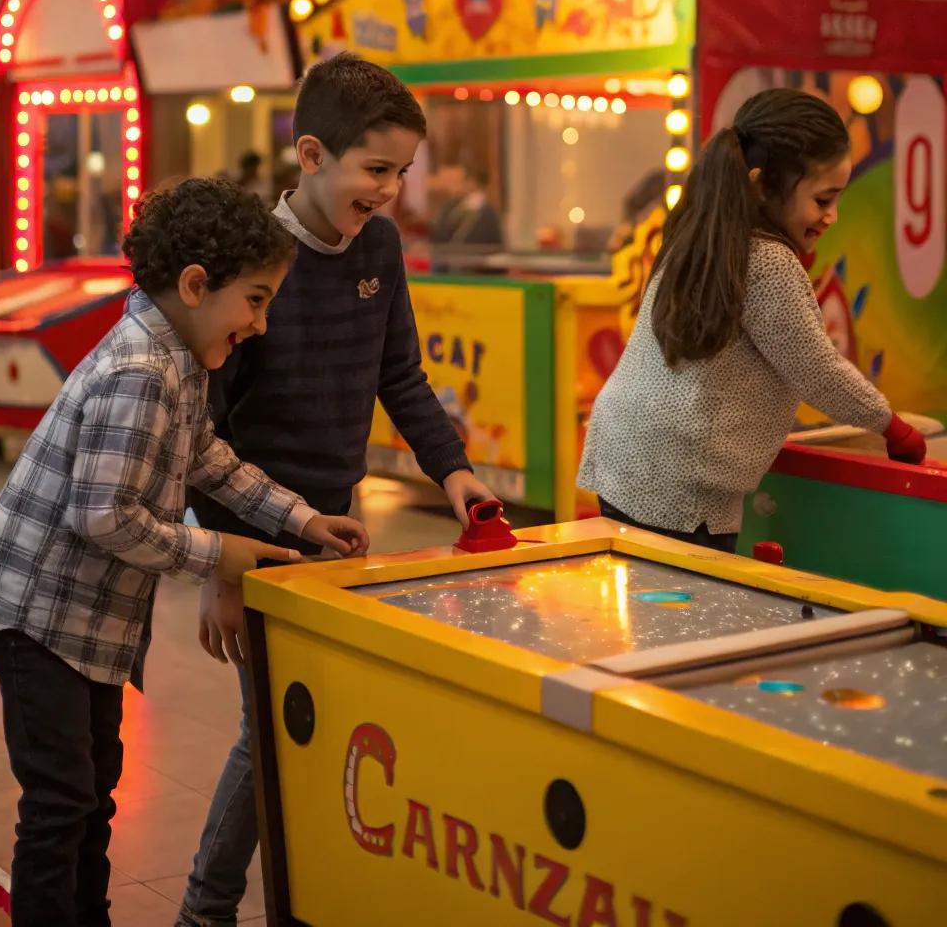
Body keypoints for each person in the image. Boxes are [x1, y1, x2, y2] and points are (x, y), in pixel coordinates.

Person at [0, 178, 368, 927]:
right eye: (256, 299)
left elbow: (210, 459)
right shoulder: (142, 370)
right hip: (36, 614)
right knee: (60, 805)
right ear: (194, 284)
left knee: (92, 793)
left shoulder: (177, 355)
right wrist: (221, 555)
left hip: (85, 626)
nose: (263, 325)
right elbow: (105, 516)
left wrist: (304, 521)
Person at [176, 52, 497, 927]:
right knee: (271, 730)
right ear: (312, 156)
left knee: (312, 721)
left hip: (340, 531)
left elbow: (402, 375)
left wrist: (454, 471)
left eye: (402, 172)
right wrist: (226, 568)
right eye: (377, 170)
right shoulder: (257, 258)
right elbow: (206, 434)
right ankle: (205, 909)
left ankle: (300, 899)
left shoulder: (381, 247)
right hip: (261, 534)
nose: (391, 191)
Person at [578, 89, 926, 553]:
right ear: (763, 185)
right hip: (680, 482)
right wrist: (892, 427)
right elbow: (817, 371)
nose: (832, 216)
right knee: (689, 614)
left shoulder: (698, 232)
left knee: (654, 610)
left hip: (629, 454)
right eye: (822, 200)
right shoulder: (767, 262)